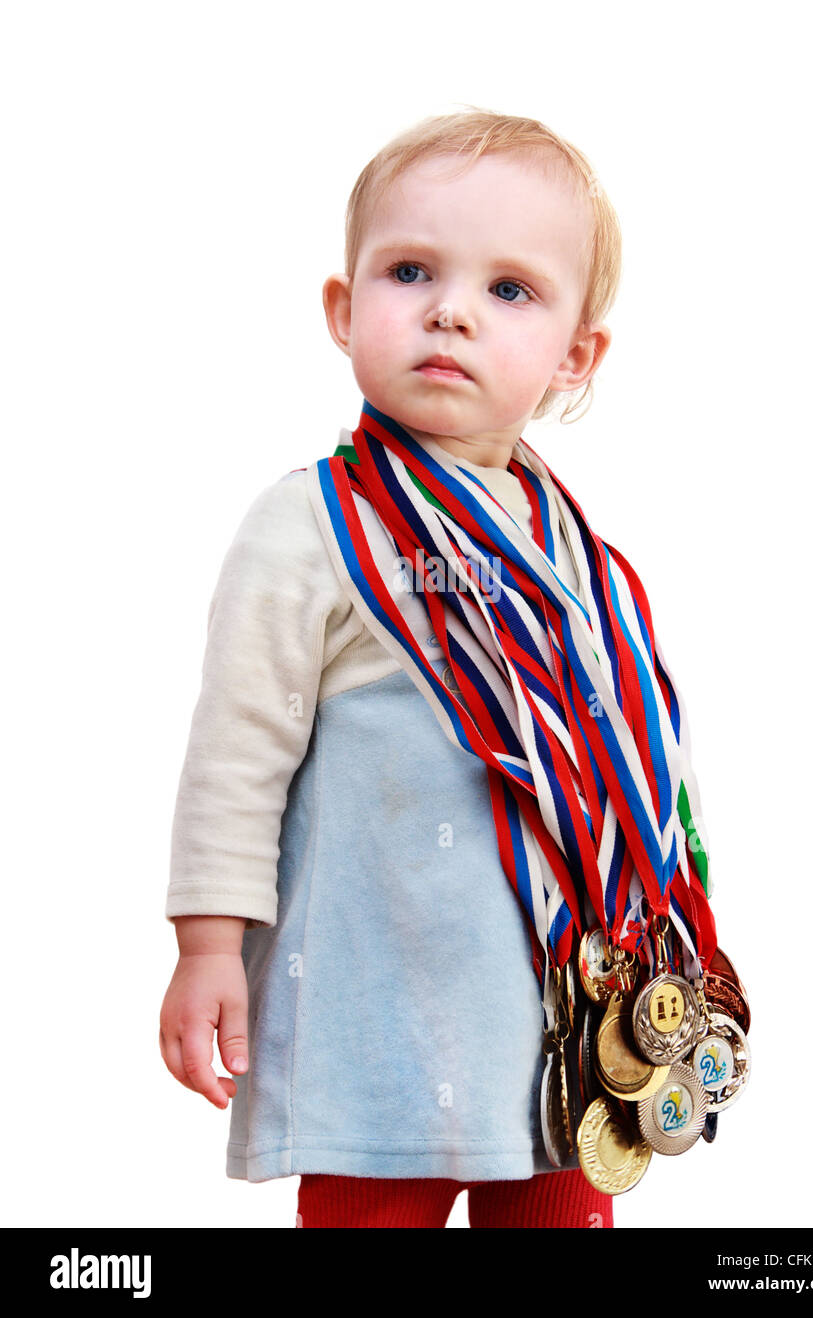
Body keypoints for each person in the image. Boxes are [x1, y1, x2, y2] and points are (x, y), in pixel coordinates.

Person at [159, 108, 713, 1228]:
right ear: (341, 306)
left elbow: (643, 778)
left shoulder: (586, 566)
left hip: (562, 1029)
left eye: (510, 289)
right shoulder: (312, 526)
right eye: (409, 271)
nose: (451, 308)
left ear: (575, 354)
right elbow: (236, 751)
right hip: (379, 1028)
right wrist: (207, 943)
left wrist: (679, 951)